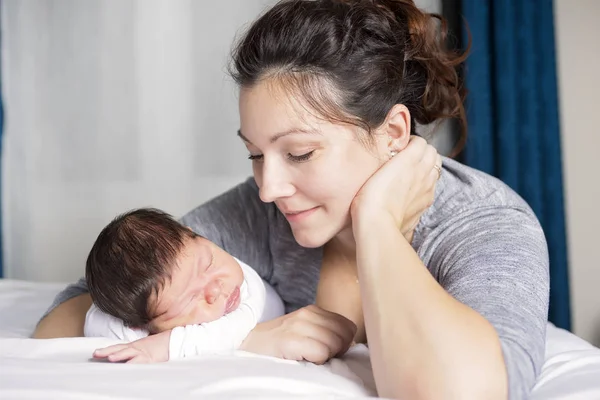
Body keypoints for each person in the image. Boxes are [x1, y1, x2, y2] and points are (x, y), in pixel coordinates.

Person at [33, 1, 549, 399]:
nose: (267, 188)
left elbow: (470, 392)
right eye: (256, 155)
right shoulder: (258, 218)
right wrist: (241, 340)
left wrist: (376, 223)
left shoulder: (486, 225)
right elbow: (64, 321)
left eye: (299, 153)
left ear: (394, 132)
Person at [82, 208, 285, 362]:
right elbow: (95, 323)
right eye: (190, 300)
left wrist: (164, 345)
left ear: (195, 234)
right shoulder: (132, 320)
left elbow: (231, 332)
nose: (215, 289)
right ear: (140, 324)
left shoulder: (248, 289)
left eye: (209, 263)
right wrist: (137, 337)